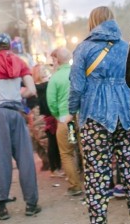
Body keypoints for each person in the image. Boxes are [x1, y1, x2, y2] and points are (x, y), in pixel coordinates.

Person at [69, 6, 130, 224]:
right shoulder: (127, 47)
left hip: (94, 119)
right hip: (127, 117)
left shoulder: (83, 50)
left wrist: (72, 111)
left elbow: (77, 87)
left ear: (92, 22)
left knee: (97, 175)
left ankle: (98, 221)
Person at [0, 33, 41, 220]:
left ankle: (2, 208)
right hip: (16, 112)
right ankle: (31, 205)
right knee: (25, 159)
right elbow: (32, 90)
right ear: (10, 46)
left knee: (0, 160)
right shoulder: (21, 63)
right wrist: (18, 93)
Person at [46, 46, 84, 197]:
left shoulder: (55, 78)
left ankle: (75, 186)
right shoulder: (78, 72)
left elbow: (51, 102)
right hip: (81, 117)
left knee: (67, 153)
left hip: (64, 119)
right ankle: (94, 184)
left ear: (56, 60)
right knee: (85, 151)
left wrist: (58, 116)